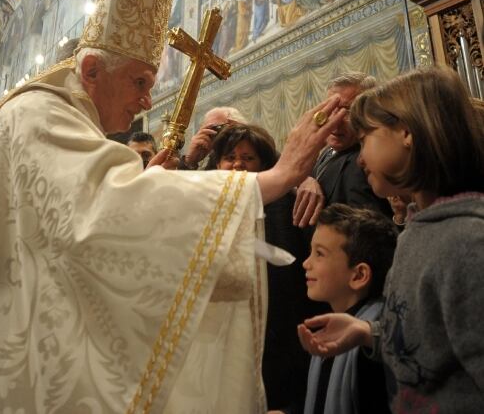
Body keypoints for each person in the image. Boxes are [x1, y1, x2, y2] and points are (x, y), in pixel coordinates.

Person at [0, 0, 346, 413]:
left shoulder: (47, 113)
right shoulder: (43, 114)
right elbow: (101, 213)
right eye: (140, 82)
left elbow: (75, 221)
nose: (147, 100)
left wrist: (146, 183)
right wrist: (278, 177)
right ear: (90, 70)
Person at [297, 67, 484, 413]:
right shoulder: (420, 230)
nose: (360, 152)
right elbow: (429, 344)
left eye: (366, 135)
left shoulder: (467, 244)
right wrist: (369, 333)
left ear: (407, 134)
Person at [206, 125, 325, 411]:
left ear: (264, 164)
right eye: (230, 157)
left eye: (248, 158)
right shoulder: (206, 204)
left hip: (282, 323)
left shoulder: (288, 202)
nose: (237, 164)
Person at [271, 204, 396, 414]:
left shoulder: (371, 346)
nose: (305, 263)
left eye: (319, 254)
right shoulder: (329, 328)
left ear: (358, 276)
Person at [293, 72, 391, 227]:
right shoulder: (328, 151)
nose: (334, 122)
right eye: (330, 109)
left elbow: (369, 235)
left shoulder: (364, 163)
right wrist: (305, 179)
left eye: (346, 111)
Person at [178, 105, 246, 170]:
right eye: (207, 131)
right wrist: (190, 161)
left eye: (216, 128)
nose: (212, 135)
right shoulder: (214, 159)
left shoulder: (253, 148)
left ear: (237, 126)